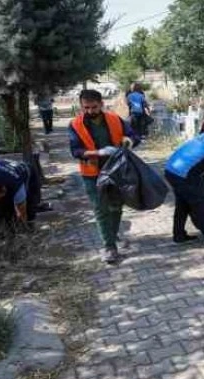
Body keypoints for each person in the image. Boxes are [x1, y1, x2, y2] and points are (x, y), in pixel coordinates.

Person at [69, 89, 140, 263]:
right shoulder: (75, 124)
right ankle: (109, 247)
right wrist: (97, 152)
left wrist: (128, 141)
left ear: (101, 104)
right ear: (81, 106)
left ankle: (113, 236)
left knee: (116, 206)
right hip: (92, 173)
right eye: (86, 108)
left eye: (94, 107)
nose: (90, 111)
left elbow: (134, 136)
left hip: (116, 171)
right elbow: (75, 150)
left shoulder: (115, 119)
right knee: (101, 209)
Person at [0, 158, 43, 238]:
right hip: (8, 170)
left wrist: (24, 231)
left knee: (30, 212)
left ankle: (30, 235)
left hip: (29, 174)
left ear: (3, 189)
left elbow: (22, 214)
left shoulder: (17, 188)